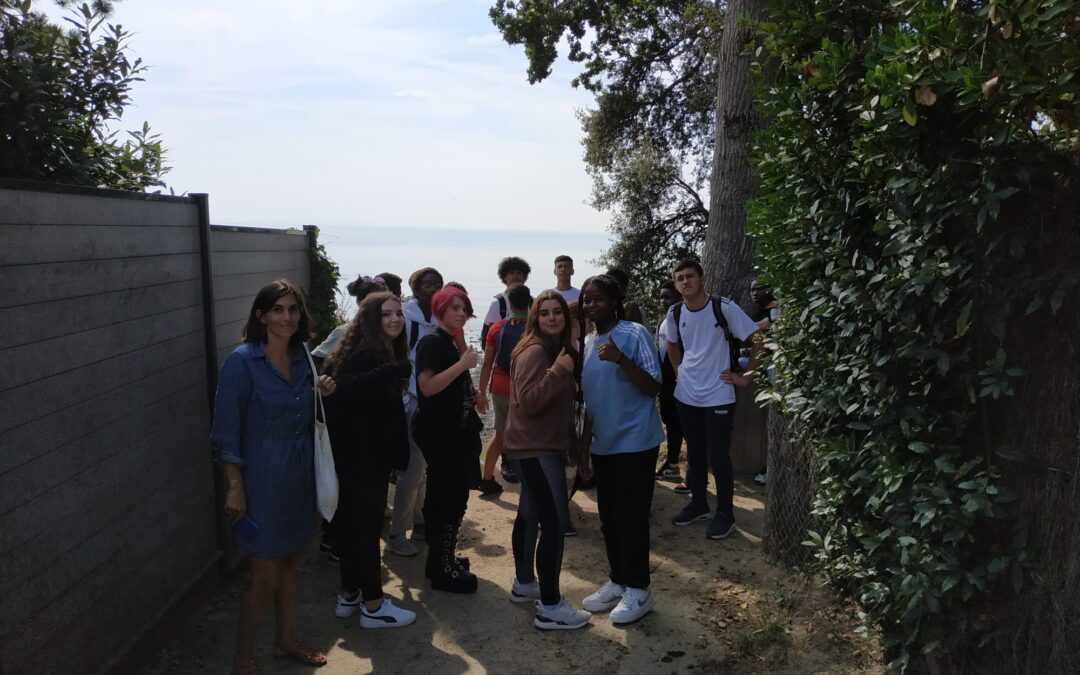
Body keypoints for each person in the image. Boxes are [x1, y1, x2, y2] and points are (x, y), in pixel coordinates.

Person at [211, 280, 335, 674]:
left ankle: (285, 641)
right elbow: (225, 431)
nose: (287, 317)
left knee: (291, 566)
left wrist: (323, 392)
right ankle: (242, 660)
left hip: (300, 478)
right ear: (261, 316)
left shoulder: (304, 358)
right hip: (260, 481)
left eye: (293, 310)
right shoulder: (242, 362)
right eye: (278, 309)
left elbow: (305, 414)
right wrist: (235, 486)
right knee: (263, 578)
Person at [323, 291, 417, 629]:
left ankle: (349, 595)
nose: (394, 320)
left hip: (357, 455)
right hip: (363, 457)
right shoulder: (368, 352)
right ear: (370, 319)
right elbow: (346, 388)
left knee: (352, 525)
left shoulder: (365, 348)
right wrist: (395, 369)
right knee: (365, 527)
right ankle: (374, 605)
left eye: (398, 314)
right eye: (386, 314)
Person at [577, 274, 664, 624]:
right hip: (604, 445)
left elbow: (653, 385)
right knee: (609, 518)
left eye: (598, 298)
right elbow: (589, 403)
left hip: (637, 442)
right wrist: (583, 449)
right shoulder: (586, 342)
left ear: (614, 301)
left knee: (632, 517)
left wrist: (621, 360)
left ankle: (639, 589)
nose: (591, 305)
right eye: (586, 299)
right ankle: (618, 580)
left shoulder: (634, 334)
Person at [503, 290, 590, 630]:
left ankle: (525, 584)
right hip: (535, 450)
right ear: (535, 318)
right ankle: (551, 606)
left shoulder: (549, 349)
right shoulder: (536, 351)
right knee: (553, 524)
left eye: (558, 313)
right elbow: (529, 402)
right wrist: (558, 370)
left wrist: (570, 442)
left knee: (530, 513)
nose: (552, 318)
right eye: (545, 313)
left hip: (536, 447)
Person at [663, 260, 763, 540]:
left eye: (689, 276)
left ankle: (725, 514)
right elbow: (671, 342)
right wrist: (679, 370)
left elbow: (758, 339)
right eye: (679, 278)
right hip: (687, 393)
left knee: (718, 454)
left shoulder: (723, 307)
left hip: (718, 393)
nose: (685, 282)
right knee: (694, 452)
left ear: (702, 278)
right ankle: (699, 503)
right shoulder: (675, 312)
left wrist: (747, 377)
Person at [311, 274, 388, 562]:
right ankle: (332, 540)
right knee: (343, 479)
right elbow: (318, 361)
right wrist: (328, 386)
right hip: (342, 416)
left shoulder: (379, 335)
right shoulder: (345, 332)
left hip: (365, 420)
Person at [414, 285, 483, 593]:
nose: (460, 313)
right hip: (441, 435)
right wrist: (462, 366)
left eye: (463, 308)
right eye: (453, 307)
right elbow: (426, 387)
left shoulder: (451, 342)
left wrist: (470, 392)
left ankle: (442, 559)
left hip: (455, 432)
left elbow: (452, 385)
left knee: (454, 496)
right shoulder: (432, 342)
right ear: (439, 310)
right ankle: (441, 568)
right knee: (445, 498)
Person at [387, 267, 444, 558]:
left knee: (421, 467)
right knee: (411, 470)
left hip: (430, 402)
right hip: (409, 402)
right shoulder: (404, 317)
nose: (433, 288)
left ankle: (420, 521)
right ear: (415, 288)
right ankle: (398, 533)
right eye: (427, 284)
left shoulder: (439, 318)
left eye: (437, 284)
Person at [476, 284, 532, 496]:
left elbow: (488, 362)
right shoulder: (535, 328)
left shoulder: (497, 327)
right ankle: (530, 481)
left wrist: (481, 392)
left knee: (499, 434)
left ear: (509, 303)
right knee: (527, 435)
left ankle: (487, 478)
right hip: (525, 388)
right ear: (529, 303)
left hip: (500, 385)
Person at [654, 280, 686, 486]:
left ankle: (674, 464)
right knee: (669, 420)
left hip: (679, 380)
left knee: (677, 422)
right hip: (664, 381)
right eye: (662, 297)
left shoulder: (683, 319)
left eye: (669, 297)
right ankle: (671, 462)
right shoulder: (664, 320)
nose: (664, 301)